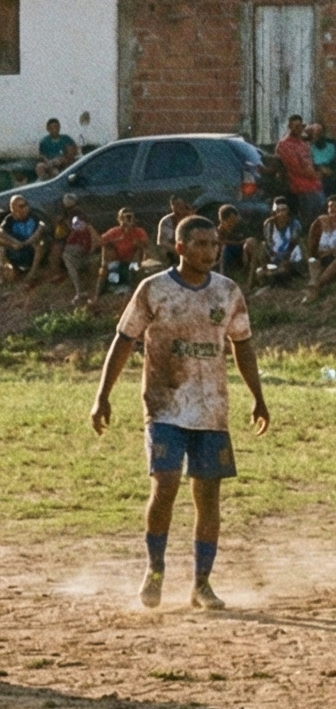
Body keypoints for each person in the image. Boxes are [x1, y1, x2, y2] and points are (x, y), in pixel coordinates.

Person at [91, 215, 269, 612]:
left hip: (211, 409)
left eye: (214, 244)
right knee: (166, 485)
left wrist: (258, 395)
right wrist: (102, 395)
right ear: (180, 246)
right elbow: (124, 340)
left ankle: (201, 585)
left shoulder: (227, 292)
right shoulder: (154, 289)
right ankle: (154, 570)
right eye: (201, 244)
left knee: (208, 496)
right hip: (165, 405)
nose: (209, 251)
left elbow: (243, 345)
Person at [95, 207, 151, 304]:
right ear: (119, 219)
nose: (127, 219)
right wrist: (116, 240)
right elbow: (100, 241)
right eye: (124, 217)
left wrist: (137, 242)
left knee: (134, 271)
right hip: (116, 260)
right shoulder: (114, 231)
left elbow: (146, 245)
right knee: (104, 269)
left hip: (132, 260)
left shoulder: (138, 231)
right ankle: (96, 297)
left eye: (129, 216)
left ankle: (132, 297)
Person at [302, 198, 336, 301]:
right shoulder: (320, 223)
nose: (333, 209)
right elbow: (312, 245)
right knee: (312, 261)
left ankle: (315, 286)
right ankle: (314, 287)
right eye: (330, 207)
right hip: (323, 258)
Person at [274, 115, 324, 220]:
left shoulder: (303, 143)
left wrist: (308, 129)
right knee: (309, 221)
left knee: (321, 218)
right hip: (300, 188)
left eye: (300, 126)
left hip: (315, 185)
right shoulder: (285, 144)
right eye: (295, 126)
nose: (298, 129)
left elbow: (317, 128)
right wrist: (318, 174)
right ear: (289, 127)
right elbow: (296, 169)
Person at [251, 199, 306, 287]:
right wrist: (272, 260)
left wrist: (285, 260)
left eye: (284, 210)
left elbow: (294, 243)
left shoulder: (295, 224)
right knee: (261, 272)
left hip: (291, 258)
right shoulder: (269, 225)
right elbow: (268, 244)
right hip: (274, 258)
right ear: (274, 212)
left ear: (288, 211)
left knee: (283, 270)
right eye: (278, 211)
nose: (281, 213)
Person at [0, 194, 48, 286]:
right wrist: (13, 242)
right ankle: (3, 273)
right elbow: (1, 231)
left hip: (31, 247)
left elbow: (41, 228)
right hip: (16, 248)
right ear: (13, 209)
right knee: (1, 245)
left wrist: (28, 242)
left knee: (40, 245)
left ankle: (32, 274)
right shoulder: (9, 219)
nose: (25, 208)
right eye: (21, 206)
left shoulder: (33, 217)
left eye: (26, 204)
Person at [54, 205, 96, 302]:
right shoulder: (69, 228)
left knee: (67, 257)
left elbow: (96, 239)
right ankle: (79, 291)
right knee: (67, 258)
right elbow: (58, 238)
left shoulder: (84, 226)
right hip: (73, 253)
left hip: (80, 252)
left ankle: (80, 292)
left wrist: (91, 250)